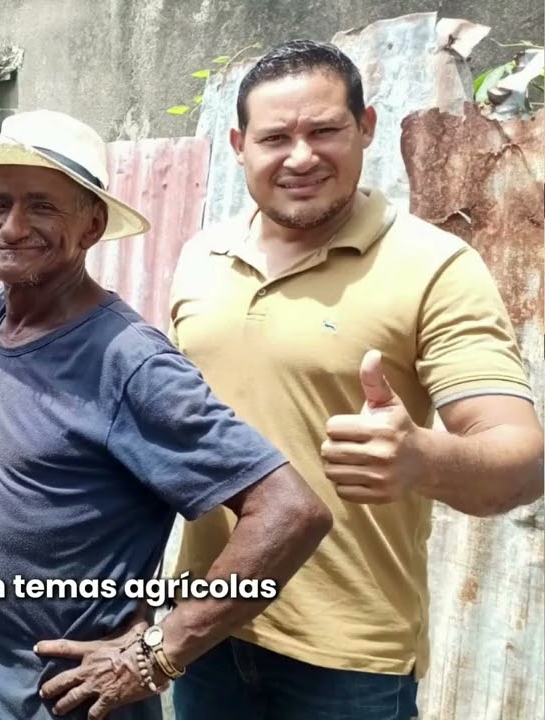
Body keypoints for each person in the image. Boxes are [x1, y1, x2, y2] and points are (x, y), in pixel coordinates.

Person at [0, 109, 334, 720]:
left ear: (91, 224)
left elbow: (290, 511)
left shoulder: (128, 364)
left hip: (66, 697)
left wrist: (159, 651)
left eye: (41, 206)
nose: (11, 226)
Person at [166, 39, 543, 720]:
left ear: (366, 128)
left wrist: (423, 459)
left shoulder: (434, 266)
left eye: (325, 131)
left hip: (348, 660)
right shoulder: (201, 257)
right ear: (238, 145)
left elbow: (522, 462)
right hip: (207, 629)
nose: (301, 156)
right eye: (276, 137)